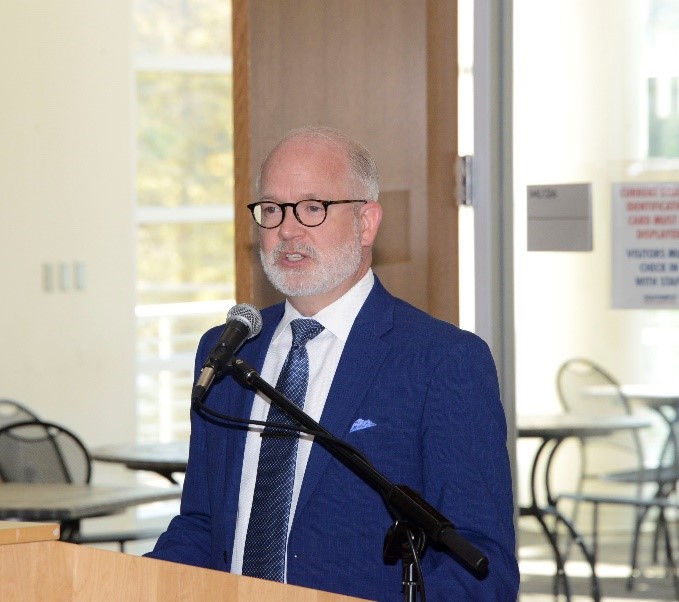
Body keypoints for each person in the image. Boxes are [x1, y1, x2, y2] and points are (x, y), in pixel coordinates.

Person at [146, 126, 519, 600]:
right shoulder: (227, 352)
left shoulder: (442, 361)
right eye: (272, 209)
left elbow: (480, 563)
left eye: (313, 207)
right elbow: (203, 525)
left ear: (366, 223)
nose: (287, 229)